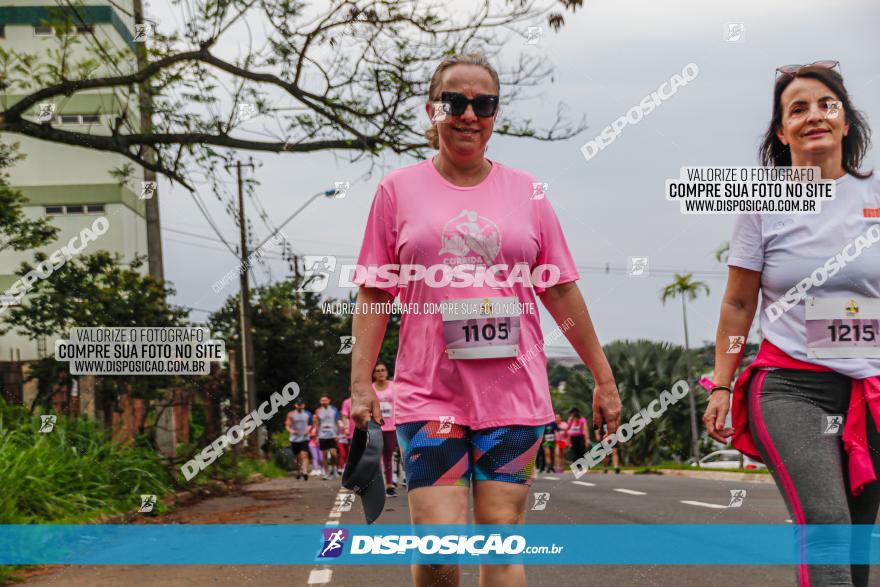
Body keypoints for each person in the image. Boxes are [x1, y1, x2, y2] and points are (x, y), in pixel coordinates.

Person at [349, 53, 621, 587]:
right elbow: (376, 290)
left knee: (500, 537)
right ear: (432, 110)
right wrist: (361, 383)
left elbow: (560, 289)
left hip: (512, 395)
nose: (468, 114)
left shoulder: (528, 192)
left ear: (495, 114)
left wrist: (603, 376)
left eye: (483, 103)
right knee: (438, 547)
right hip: (430, 392)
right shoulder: (397, 190)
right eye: (454, 102)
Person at [703, 61, 880, 587]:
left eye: (826, 105)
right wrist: (721, 383)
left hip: (867, 388)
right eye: (796, 109)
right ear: (782, 133)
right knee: (826, 521)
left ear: (846, 122)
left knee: (856, 538)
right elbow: (738, 304)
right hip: (791, 388)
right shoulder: (762, 201)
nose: (813, 116)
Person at [372, 362, 399, 497]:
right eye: (378, 371)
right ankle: (375, 485)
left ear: (387, 372)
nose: (381, 372)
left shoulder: (394, 386)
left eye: (383, 370)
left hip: (391, 427)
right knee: (375, 456)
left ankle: (389, 485)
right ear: (374, 374)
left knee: (388, 456)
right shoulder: (371, 389)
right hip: (375, 427)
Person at [314, 395, 341, 480]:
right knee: (324, 455)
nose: (324, 402)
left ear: (329, 401)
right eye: (322, 400)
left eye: (325, 400)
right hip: (322, 435)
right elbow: (317, 424)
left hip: (332, 435)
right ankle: (327, 473)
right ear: (320, 401)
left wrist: (337, 434)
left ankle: (335, 469)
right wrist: (317, 436)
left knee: (333, 453)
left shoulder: (334, 410)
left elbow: (337, 422)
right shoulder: (318, 411)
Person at [284, 397, 311, 480]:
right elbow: (287, 425)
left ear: (304, 405)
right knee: (297, 456)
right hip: (294, 438)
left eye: (301, 404)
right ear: (295, 405)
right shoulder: (291, 414)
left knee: (304, 455)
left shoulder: (308, 414)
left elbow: (311, 424)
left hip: (304, 437)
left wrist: (308, 430)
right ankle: (299, 471)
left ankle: (305, 471)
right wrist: (291, 431)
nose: (300, 406)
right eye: (298, 405)